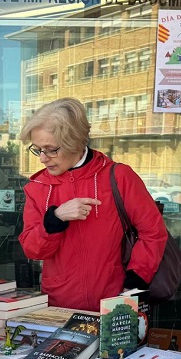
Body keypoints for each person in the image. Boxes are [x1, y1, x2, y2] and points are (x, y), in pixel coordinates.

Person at [18, 98, 167, 311]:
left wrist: (135, 280)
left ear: (75, 141)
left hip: (116, 302)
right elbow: (32, 250)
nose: (42, 158)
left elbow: (153, 232)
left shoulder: (118, 177)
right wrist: (55, 219)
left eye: (51, 150)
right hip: (60, 305)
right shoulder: (37, 187)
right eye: (37, 149)